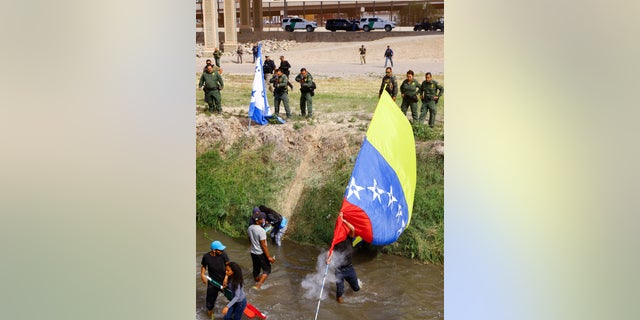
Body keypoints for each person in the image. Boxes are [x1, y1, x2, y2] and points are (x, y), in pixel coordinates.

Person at [327, 213, 360, 303]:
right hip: (339, 271)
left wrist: (343, 221)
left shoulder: (349, 237)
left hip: (349, 268)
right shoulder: (334, 241)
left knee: (356, 289)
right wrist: (329, 259)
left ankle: (352, 285)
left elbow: (353, 229)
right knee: (339, 293)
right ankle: (341, 306)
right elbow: (331, 251)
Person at [200, 240, 230, 318]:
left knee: (232, 295)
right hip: (213, 282)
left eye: (222, 249)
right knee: (210, 300)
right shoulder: (206, 257)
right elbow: (204, 266)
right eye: (220, 249)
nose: (222, 250)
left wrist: (226, 278)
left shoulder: (223, 255)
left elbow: (228, 268)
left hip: (224, 280)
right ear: (214, 250)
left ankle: (237, 306)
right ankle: (210, 313)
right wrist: (202, 275)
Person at [248, 212, 276, 290]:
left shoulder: (250, 228)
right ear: (258, 220)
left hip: (253, 252)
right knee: (267, 270)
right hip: (260, 253)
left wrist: (251, 246)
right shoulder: (261, 231)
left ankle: (256, 280)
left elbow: (249, 238)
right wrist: (269, 257)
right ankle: (258, 286)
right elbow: (263, 245)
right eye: (262, 219)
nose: (263, 220)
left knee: (256, 268)